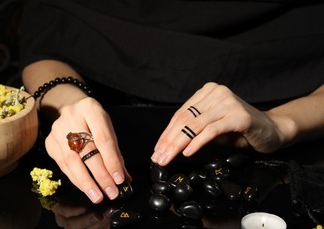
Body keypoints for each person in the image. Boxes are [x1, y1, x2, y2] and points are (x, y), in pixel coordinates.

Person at [20, 0, 324, 204]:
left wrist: (282, 123)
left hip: (287, 138)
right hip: (91, 132)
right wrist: (68, 102)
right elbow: (44, 38)